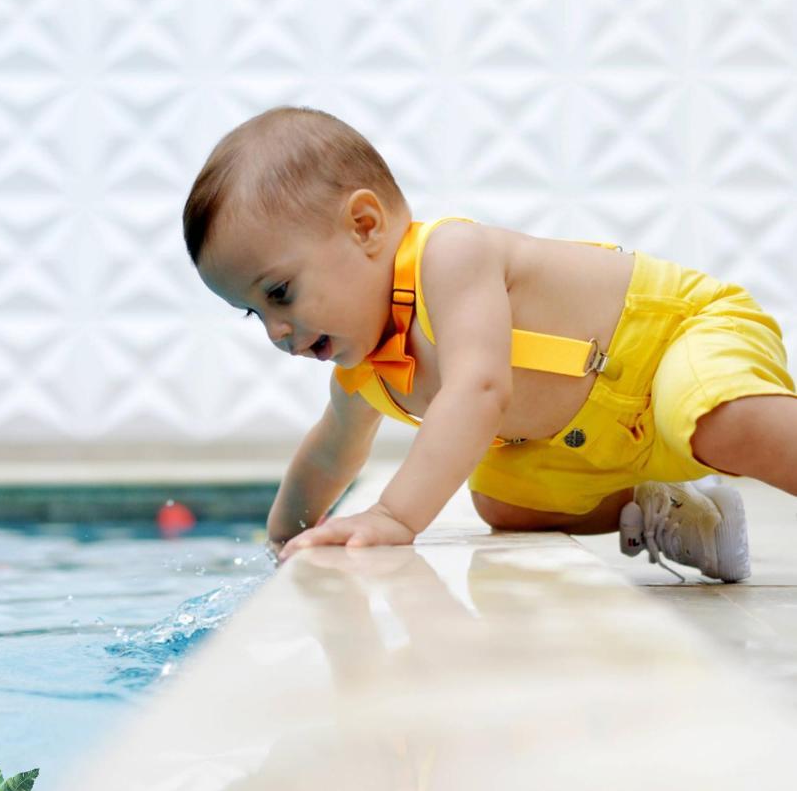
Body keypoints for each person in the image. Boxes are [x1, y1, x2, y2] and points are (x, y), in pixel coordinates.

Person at [182, 105, 797, 581]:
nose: (276, 331)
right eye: (252, 313)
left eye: (280, 292)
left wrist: (394, 515)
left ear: (365, 226)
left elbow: (480, 389)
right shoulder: (367, 371)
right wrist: (283, 540)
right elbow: (330, 453)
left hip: (676, 340)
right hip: (601, 432)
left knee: (722, 421)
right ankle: (663, 509)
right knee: (503, 502)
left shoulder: (451, 255)